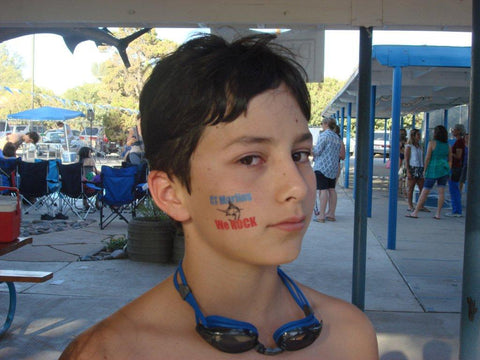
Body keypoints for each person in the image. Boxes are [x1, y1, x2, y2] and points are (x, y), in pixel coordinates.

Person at [60, 34, 378, 359]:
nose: (296, 187)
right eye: (250, 159)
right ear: (171, 194)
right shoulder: (110, 352)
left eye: (299, 155)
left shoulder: (350, 336)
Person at [407, 125, 451, 220]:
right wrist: (448, 169)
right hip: (443, 170)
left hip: (432, 170)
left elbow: (427, 158)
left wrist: (425, 170)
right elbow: (450, 159)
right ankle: (438, 213)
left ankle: (416, 212)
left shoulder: (432, 143)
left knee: (425, 191)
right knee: (441, 192)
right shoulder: (447, 145)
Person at [313, 117, 342, 222]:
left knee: (322, 190)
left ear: (325, 124)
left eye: (322, 123)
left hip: (322, 166)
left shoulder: (323, 136)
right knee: (332, 189)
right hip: (333, 167)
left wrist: (310, 149)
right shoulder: (337, 137)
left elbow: (317, 151)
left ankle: (321, 215)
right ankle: (331, 213)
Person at [405, 128, 429, 212]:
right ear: (413, 136)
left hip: (420, 167)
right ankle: (410, 205)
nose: (419, 137)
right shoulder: (409, 147)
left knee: (422, 187)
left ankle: (421, 205)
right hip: (412, 167)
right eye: (418, 135)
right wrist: (408, 171)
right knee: (410, 187)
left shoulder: (420, 146)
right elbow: (407, 159)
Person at [445, 123, 466, 217]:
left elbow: (458, 156)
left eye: (454, 129)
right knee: (454, 188)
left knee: (454, 189)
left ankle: (456, 210)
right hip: (456, 167)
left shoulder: (459, 142)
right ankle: (456, 209)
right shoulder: (459, 142)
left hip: (456, 168)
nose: (453, 131)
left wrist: (449, 153)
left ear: (458, 131)